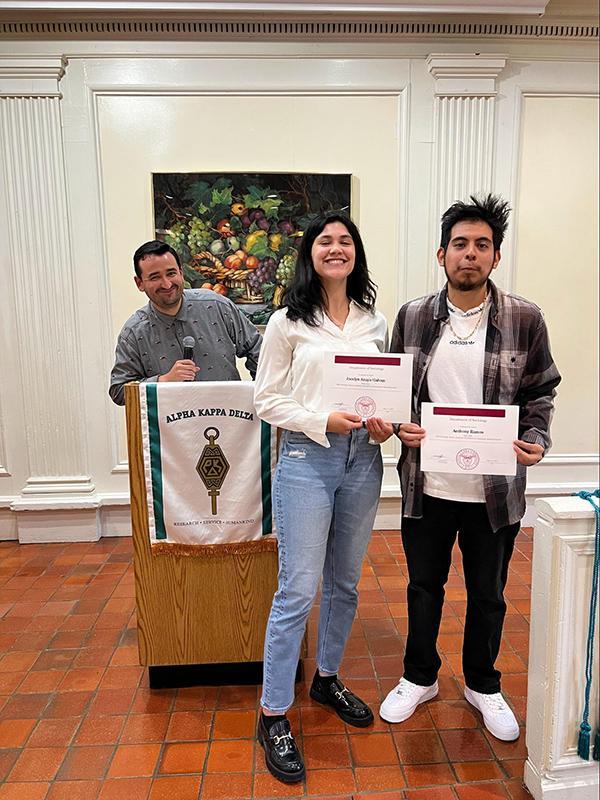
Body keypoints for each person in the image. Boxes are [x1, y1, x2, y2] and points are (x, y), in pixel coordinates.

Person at [374, 194, 560, 742]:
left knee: (488, 594)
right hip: (426, 485)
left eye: (482, 245)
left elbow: (542, 388)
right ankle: (420, 676)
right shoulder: (412, 317)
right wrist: (399, 422)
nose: (470, 255)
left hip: (495, 489)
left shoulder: (525, 318)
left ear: (495, 257)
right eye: (460, 245)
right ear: (442, 254)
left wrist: (535, 437)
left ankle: (482, 683)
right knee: (423, 586)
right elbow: (394, 393)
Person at [253, 213, 388, 783]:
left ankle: (326, 677)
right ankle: (273, 712)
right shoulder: (287, 323)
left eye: (346, 241)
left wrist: (383, 425)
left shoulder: (374, 321)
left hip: (364, 461)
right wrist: (321, 419)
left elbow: (385, 390)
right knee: (298, 589)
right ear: (310, 253)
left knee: (345, 583)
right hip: (308, 462)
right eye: (325, 241)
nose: (336, 249)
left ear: (356, 252)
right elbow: (265, 400)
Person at [109, 240, 262, 405]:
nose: (167, 284)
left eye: (171, 273)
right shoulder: (133, 333)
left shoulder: (217, 306)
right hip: (170, 428)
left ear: (181, 273)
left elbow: (260, 353)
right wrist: (162, 382)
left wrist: (259, 399)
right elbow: (119, 391)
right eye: (155, 277)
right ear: (139, 283)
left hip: (232, 419)